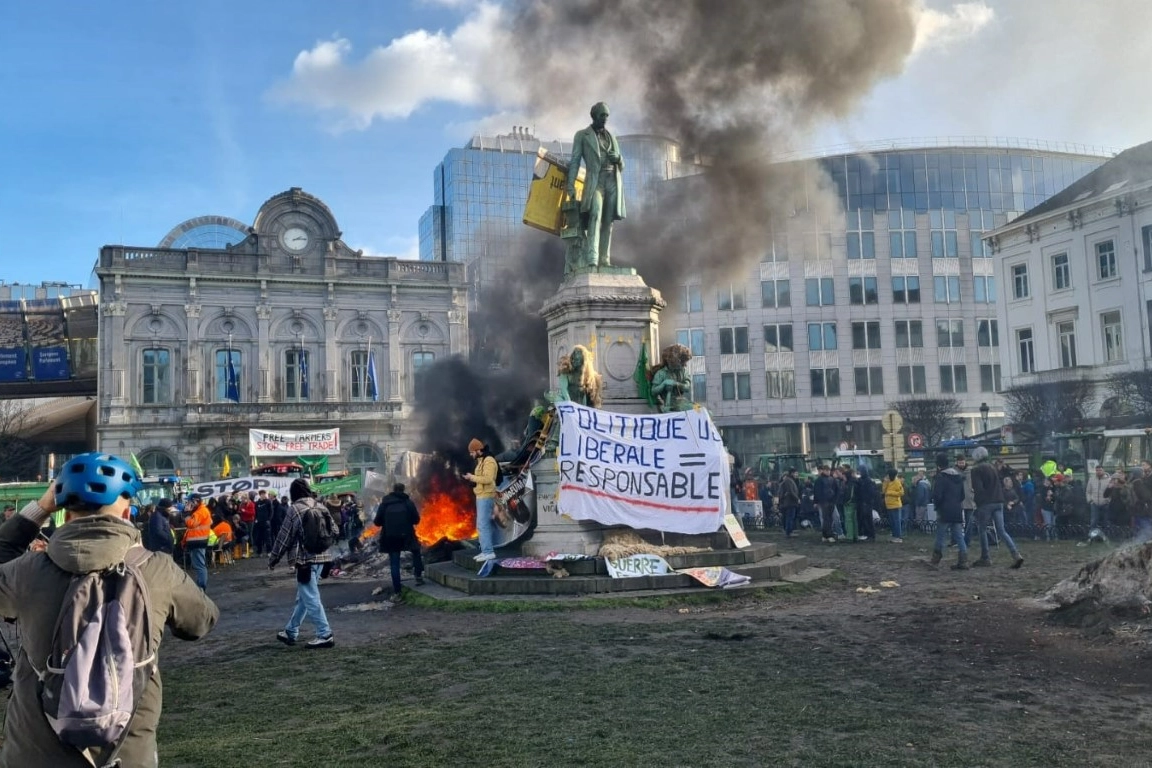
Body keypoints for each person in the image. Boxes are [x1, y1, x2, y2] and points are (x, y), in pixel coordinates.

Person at [0, 452, 217, 766]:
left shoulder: (27, 570)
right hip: (125, 753)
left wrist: (40, 509)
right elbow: (201, 621)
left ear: (63, 510)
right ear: (127, 509)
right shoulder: (157, 569)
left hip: (35, 753)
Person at [268, 478, 335, 649]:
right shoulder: (321, 506)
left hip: (304, 560)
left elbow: (284, 537)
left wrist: (274, 558)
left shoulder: (295, 509)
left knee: (310, 597)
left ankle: (325, 634)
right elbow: (335, 529)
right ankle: (291, 631)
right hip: (323, 558)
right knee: (304, 598)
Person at [565, 101, 625, 269]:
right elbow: (575, 161)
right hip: (595, 180)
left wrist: (618, 159)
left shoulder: (612, 137)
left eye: (607, 115)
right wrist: (570, 185)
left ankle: (604, 260)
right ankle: (593, 257)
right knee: (595, 214)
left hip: (612, 180)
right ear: (594, 116)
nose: (605, 119)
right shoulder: (582, 135)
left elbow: (622, 165)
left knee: (608, 221)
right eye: (602, 115)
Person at [970, 446, 1024, 568]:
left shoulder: (976, 470)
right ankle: (1016, 554)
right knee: (1001, 530)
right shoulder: (993, 468)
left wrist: (977, 503)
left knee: (982, 530)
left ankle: (985, 557)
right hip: (998, 501)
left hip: (986, 503)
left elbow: (978, 489)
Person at [374, 483, 425, 602]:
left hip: (390, 537)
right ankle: (418, 576)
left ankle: (397, 592)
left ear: (393, 490)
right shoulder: (408, 502)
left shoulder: (385, 504)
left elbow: (377, 522)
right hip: (407, 535)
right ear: (403, 490)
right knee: (416, 551)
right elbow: (416, 520)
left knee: (394, 563)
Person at [463, 438, 499, 562]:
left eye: (472, 452)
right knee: (481, 525)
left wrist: (472, 477)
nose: (471, 455)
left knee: (483, 525)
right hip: (481, 495)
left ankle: (488, 552)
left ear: (478, 450)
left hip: (486, 496)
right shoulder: (481, 461)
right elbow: (481, 478)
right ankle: (485, 551)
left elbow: (488, 479)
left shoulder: (488, 461)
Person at [931, 453, 969, 569]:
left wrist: (937, 506)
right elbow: (962, 495)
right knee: (959, 536)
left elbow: (937, 495)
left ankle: (935, 560)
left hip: (944, 510)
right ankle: (964, 561)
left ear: (938, 465)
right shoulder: (958, 476)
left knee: (940, 536)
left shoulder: (941, 477)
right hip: (957, 509)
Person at [182, 494, 211, 590]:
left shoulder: (201, 511)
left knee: (199, 566)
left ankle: (201, 587)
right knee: (199, 565)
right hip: (198, 541)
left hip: (198, 541)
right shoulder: (200, 510)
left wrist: (186, 513)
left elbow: (191, 524)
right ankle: (201, 586)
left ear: (195, 501)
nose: (188, 504)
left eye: (190, 502)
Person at [813, 464, 837, 542]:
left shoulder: (829, 479)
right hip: (824, 501)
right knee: (827, 518)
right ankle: (828, 535)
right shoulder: (820, 480)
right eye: (826, 470)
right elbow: (817, 492)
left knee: (828, 518)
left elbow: (836, 490)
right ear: (823, 470)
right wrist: (817, 501)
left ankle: (825, 535)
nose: (828, 472)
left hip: (829, 501)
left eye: (829, 470)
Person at [882, 469, 905, 543]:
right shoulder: (888, 481)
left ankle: (898, 537)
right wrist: (885, 482)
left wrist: (890, 492)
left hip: (895, 505)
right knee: (892, 522)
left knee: (896, 521)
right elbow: (883, 491)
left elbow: (901, 493)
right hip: (889, 504)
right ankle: (894, 535)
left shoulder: (897, 482)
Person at [1085, 465, 1109, 529]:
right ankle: (1092, 535)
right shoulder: (1091, 479)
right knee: (1094, 520)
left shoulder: (1109, 479)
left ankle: (1105, 535)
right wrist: (1090, 500)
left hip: (1105, 503)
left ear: (1103, 470)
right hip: (1094, 503)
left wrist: (1108, 500)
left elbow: (1111, 492)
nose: (1098, 472)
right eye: (1097, 470)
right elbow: (1088, 491)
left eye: (1100, 470)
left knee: (1105, 521)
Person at [778, 467, 800, 538]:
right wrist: (797, 499)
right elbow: (791, 491)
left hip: (790, 502)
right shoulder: (789, 481)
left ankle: (789, 531)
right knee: (790, 517)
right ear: (792, 473)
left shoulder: (790, 480)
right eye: (795, 473)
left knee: (790, 517)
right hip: (790, 502)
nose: (796, 475)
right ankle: (788, 532)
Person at [253, 488, 273, 555]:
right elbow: (255, 512)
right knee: (259, 538)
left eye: (264, 494)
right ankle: (259, 552)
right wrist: (255, 519)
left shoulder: (268, 502)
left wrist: (268, 520)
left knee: (267, 538)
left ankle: (269, 551)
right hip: (259, 523)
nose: (263, 495)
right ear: (260, 495)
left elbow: (271, 512)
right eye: (262, 494)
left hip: (266, 523)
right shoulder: (257, 503)